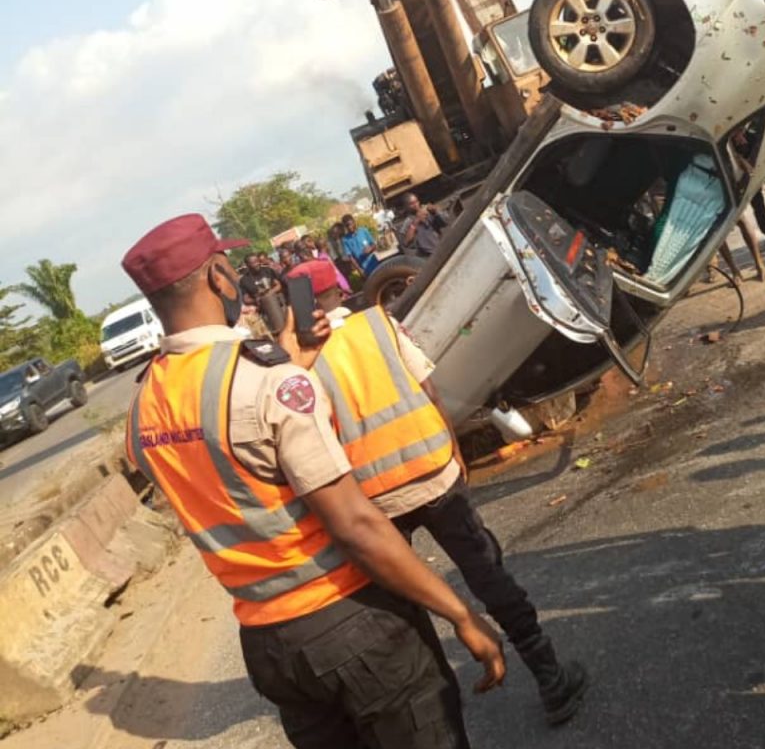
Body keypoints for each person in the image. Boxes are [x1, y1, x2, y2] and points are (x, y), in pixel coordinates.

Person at [120, 214, 504, 749]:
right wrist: (459, 613)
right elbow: (355, 526)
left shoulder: (142, 410)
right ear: (217, 277)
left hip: (269, 644)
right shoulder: (264, 382)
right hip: (351, 619)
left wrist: (292, 361)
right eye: (229, 266)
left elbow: (227, 456)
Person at [296, 259, 589, 726]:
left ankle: (436, 716)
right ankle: (551, 678)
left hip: (373, 503)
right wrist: (453, 451)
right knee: (487, 573)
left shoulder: (300, 365)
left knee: (404, 604)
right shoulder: (379, 324)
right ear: (338, 287)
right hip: (433, 475)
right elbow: (429, 389)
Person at [398, 193, 447, 259]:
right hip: (427, 255)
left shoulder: (428, 212)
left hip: (441, 247)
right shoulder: (408, 221)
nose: (415, 205)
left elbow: (445, 222)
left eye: (416, 201)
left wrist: (436, 211)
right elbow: (405, 242)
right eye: (412, 204)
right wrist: (416, 222)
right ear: (406, 207)